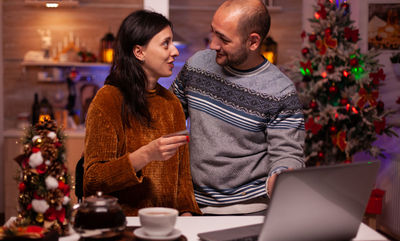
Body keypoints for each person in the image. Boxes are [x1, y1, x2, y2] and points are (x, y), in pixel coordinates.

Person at [171, 0, 305, 215]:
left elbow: (287, 153)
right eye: (213, 33)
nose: (213, 44)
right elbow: (168, 116)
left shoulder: (281, 91)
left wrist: (282, 174)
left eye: (223, 39)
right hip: (193, 205)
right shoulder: (197, 65)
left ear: (253, 42)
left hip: (251, 209)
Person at [84, 10, 201, 216]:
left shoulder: (172, 104)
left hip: (169, 226)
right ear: (139, 52)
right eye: (165, 43)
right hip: (124, 226)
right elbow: (93, 180)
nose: (174, 51)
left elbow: (183, 181)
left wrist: (187, 215)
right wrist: (146, 154)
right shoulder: (108, 100)